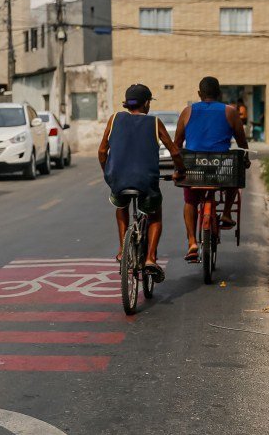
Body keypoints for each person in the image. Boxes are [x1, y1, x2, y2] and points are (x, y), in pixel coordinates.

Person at [98, 84, 184, 281]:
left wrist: (108, 174)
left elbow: (102, 152)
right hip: (146, 181)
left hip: (118, 179)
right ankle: (151, 259)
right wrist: (180, 171)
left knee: (121, 204)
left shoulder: (114, 119)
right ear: (147, 103)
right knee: (155, 215)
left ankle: (122, 250)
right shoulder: (154, 122)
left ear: (127, 103)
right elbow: (175, 152)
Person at [174, 76, 249, 262]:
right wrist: (245, 158)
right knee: (234, 173)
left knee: (190, 201)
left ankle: (192, 241)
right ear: (219, 94)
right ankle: (225, 213)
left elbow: (177, 143)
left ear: (199, 94)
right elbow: (242, 142)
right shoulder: (230, 112)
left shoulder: (187, 111)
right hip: (220, 167)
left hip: (194, 167)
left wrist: (178, 166)